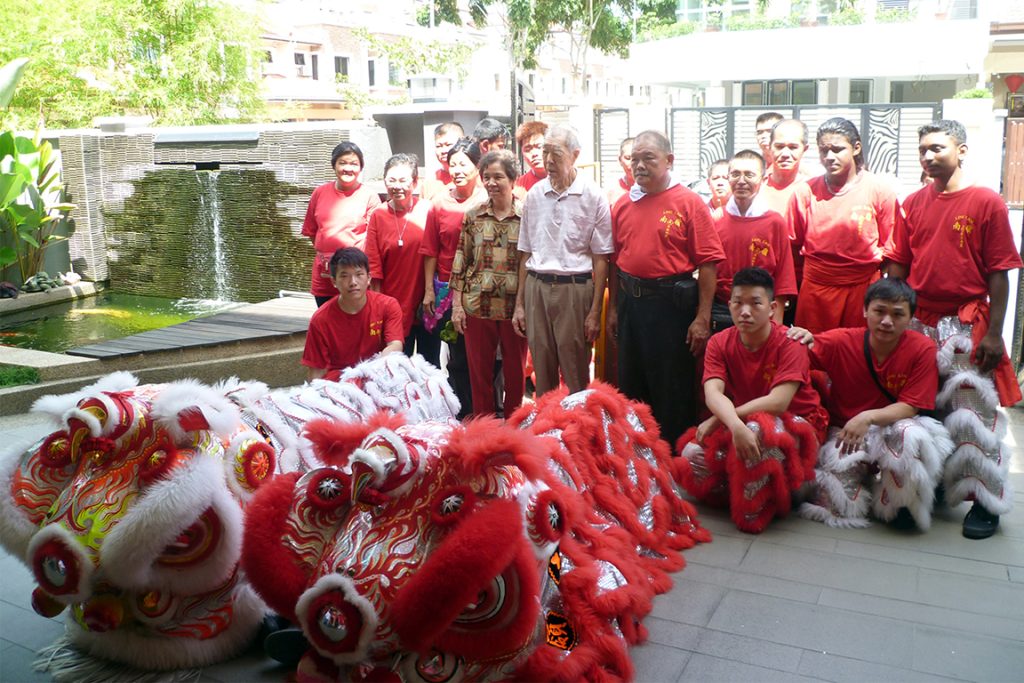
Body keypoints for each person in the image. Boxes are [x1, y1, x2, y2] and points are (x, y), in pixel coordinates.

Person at [885, 119, 1023, 539]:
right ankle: (919, 494)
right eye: (922, 149)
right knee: (920, 411)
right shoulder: (911, 202)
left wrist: (995, 333)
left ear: (961, 151)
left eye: (937, 148)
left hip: (965, 321)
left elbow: (999, 273)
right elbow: (898, 267)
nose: (927, 156)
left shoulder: (987, 202)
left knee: (971, 417)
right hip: (919, 321)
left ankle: (984, 502)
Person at [789, 278, 951, 531]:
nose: (887, 321)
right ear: (865, 310)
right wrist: (799, 336)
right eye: (879, 311)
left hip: (892, 428)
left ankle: (902, 505)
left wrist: (867, 417)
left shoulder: (922, 348)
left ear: (910, 318)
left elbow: (910, 406)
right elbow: (795, 351)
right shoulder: (842, 341)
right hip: (846, 432)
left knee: (910, 434)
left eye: (897, 314)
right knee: (838, 504)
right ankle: (862, 486)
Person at [676, 267, 828, 534]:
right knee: (692, 455)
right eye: (738, 302)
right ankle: (752, 484)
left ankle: (782, 491)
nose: (745, 311)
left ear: (771, 308)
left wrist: (723, 420)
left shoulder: (791, 342)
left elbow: (778, 403)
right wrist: (735, 425)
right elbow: (713, 393)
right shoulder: (719, 342)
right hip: (746, 422)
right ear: (729, 305)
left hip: (799, 425)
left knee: (758, 430)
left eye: (755, 303)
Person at [608, 130, 725, 445]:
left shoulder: (688, 202)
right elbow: (615, 262)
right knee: (631, 385)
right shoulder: (623, 204)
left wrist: (702, 318)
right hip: (631, 306)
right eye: (635, 159)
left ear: (669, 160)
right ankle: (637, 456)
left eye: (648, 158)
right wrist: (614, 309)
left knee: (671, 388)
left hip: (670, 309)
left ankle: (674, 457)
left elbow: (709, 264)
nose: (639, 165)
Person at [513, 124, 612, 397]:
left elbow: (601, 258)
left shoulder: (593, 195)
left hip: (575, 290)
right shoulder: (535, 195)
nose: (548, 160)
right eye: (545, 152)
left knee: (576, 372)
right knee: (541, 371)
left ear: (575, 155)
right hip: (537, 287)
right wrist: (520, 304)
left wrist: (595, 311)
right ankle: (546, 423)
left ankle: (577, 423)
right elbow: (525, 252)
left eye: (555, 153)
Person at [789, 117, 898, 333]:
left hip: (862, 290)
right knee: (812, 347)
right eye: (824, 151)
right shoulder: (804, 192)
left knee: (856, 348)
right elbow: (791, 247)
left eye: (837, 150)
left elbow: (892, 249)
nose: (829, 157)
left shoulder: (880, 190)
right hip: (815, 291)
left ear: (856, 148)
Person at [450, 150, 528, 417]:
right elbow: (461, 260)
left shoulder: (527, 216)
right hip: (477, 304)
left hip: (515, 308)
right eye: (487, 177)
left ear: (513, 179)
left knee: (515, 373)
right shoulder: (473, 215)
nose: (491, 183)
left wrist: (524, 305)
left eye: (498, 177)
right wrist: (457, 306)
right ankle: (484, 427)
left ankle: (515, 424)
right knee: (479, 373)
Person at [421, 138, 487, 416]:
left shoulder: (486, 199)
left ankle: (487, 411)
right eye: (453, 164)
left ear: (477, 167)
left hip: (483, 289)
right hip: (448, 289)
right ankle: (461, 410)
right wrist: (428, 289)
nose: (457, 170)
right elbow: (430, 250)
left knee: (483, 354)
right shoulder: (439, 203)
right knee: (456, 354)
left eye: (464, 164)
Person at [365, 153, 440, 367]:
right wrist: (378, 306)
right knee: (395, 366)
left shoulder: (428, 209)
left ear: (415, 182)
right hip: (393, 302)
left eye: (403, 180)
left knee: (429, 364)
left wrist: (430, 291)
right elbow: (373, 265)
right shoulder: (378, 215)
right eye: (391, 180)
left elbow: (436, 252)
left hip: (427, 300)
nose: (397, 186)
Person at [711, 150, 797, 333]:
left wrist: (777, 324)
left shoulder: (774, 222)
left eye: (749, 175)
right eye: (735, 174)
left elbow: (784, 277)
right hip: (721, 308)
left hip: (761, 310)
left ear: (763, 179)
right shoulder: (716, 219)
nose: (741, 181)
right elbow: (708, 271)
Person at [302, 247, 403, 381]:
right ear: (333, 281)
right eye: (344, 276)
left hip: (378, 376)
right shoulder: (320, 319)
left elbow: (395, 345)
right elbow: (316, 371)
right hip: (340, 384)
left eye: (359, 274)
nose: (353, 282)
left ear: (369, 278)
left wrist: (376, 369)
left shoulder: (388, 305)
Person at [301, 142, 382, 307]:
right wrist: (327, 253)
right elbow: (311, 231)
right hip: (325, 274)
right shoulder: (319, 193)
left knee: (357, 319)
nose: (348, 168)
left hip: (355, 275)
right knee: (326, 318)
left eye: (354, 164)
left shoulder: (369, 196)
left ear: (360, 167)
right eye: (342, 163)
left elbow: (375, 239)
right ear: (334, 165)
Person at [761, 119, 811, 218]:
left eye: (793, 147)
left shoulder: (812, 191)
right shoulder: (756, 189)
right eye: (779, 147)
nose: (785, 154)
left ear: (805, 149)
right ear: (770, 147)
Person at [515, 120, 548, 194]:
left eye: (539, 147)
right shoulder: (519, 186)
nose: (534, 153)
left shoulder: (566, 179)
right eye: (528, 149)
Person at [604, 137, 634, 206]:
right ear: (620, 159)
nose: (632, 163)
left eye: (636, 158)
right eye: (628, 158)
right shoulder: (611, 191)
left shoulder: (654, 190)